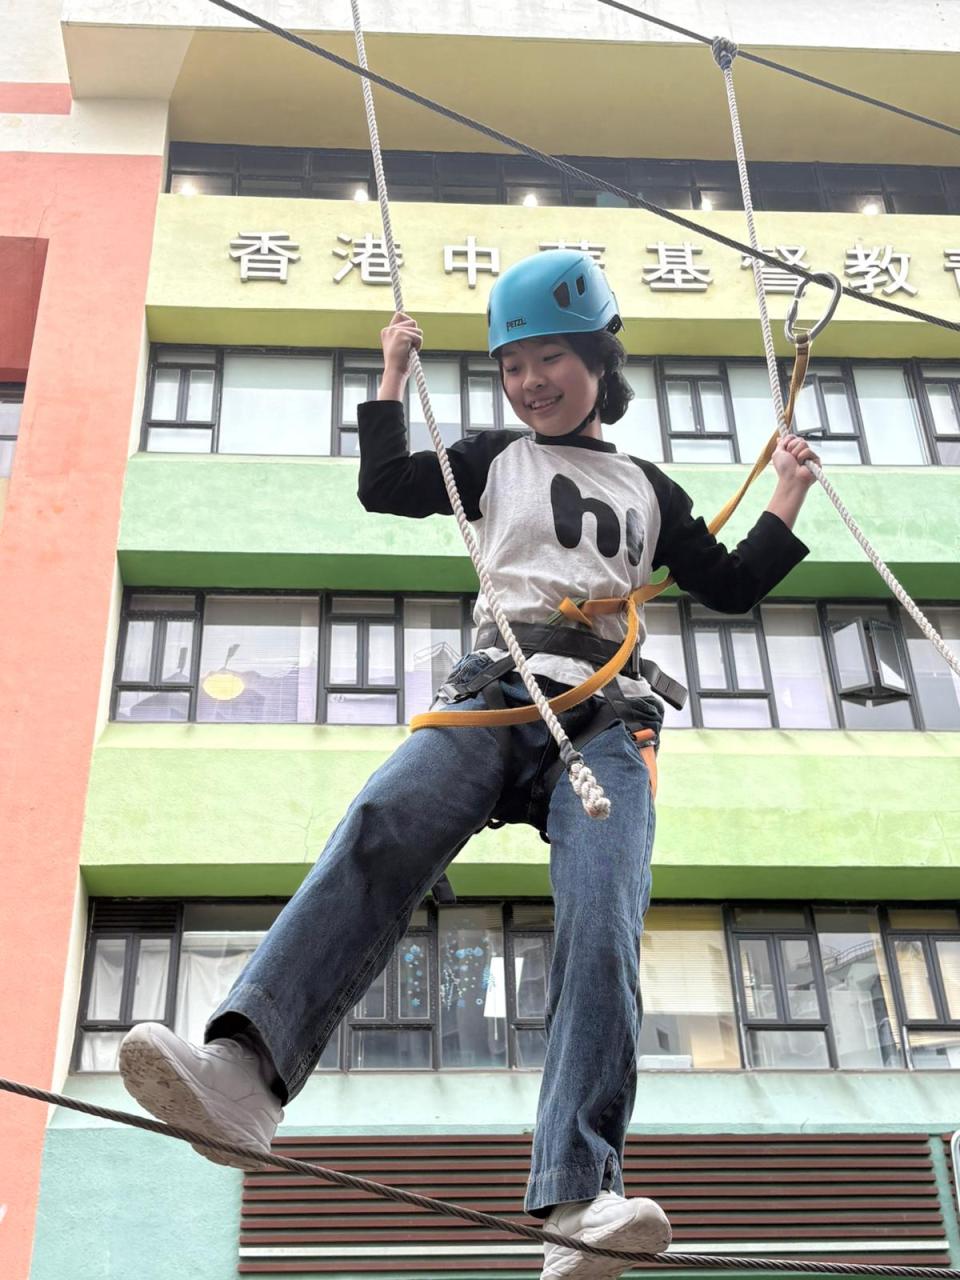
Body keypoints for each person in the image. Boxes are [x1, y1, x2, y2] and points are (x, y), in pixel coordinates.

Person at [119, 250, 819, 1280]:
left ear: (598, 361)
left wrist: (788, 492)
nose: (531, 382)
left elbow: (730, 585)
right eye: (513, 367)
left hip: (608, 721)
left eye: (551, 360)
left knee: (603, 924)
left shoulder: (650, 488)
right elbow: (384, 486)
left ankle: (579, 1194)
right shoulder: (492, 458)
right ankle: (243, 1074)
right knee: (383, 827)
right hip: (496, 690)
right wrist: (391, 377)